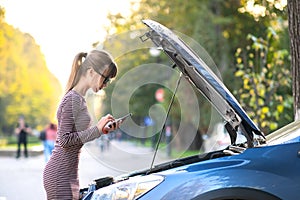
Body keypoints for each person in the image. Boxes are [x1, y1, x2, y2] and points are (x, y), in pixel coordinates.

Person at [43, 49, 119, 199]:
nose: (106, 84)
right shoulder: (72, 99)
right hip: (60, 175)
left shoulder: (79, 99)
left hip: (69, 173)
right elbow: (65, 140)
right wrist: (97, 129)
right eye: (105, 79)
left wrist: (101, 130)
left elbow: (75, 137)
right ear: (91, 72)